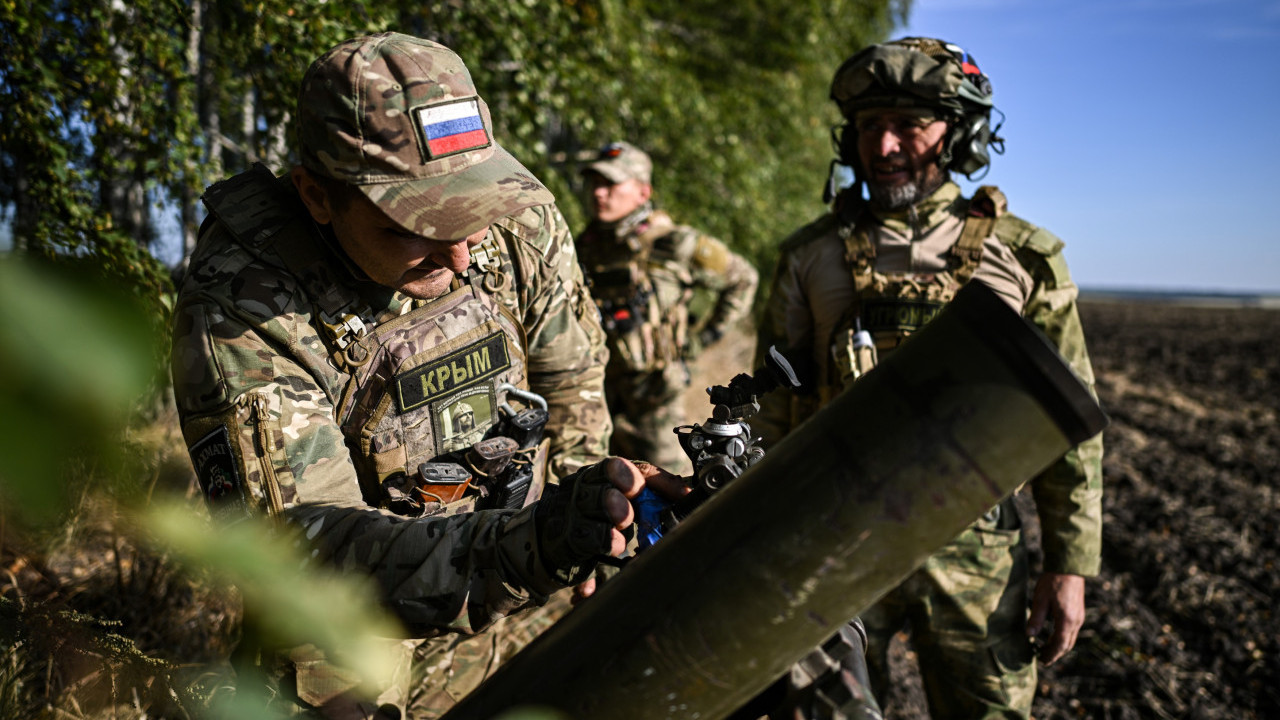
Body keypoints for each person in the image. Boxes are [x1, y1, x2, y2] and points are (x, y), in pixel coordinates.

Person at [170, 32, 670, 719]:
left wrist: (596, 515)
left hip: (519, 577)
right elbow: (304, 556)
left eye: (471, 212)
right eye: (417, 226)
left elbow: (574, 388)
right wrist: (537, 545)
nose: (461, 256)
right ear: (318, 196)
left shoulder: (518, 220)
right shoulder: (246, 305)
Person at [754, 37, 1104, 720]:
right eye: (866, 128)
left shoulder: (1025, 260)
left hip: (977, 553)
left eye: (908, 126)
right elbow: (769, 414)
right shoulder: (809, 259)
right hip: (834, 546)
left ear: (960, 133)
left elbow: (1071, 423)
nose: (883, 148)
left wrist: (1070, 567)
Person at [576, 141, 759, 473]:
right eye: (595, 183)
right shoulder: (583, 247)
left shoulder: (676, 243)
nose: (600, 193)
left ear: (643, 192)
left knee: (669, 493)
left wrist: (703, 338)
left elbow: (743, 278)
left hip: (655, 403)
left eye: (612, 183)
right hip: (597, 400)